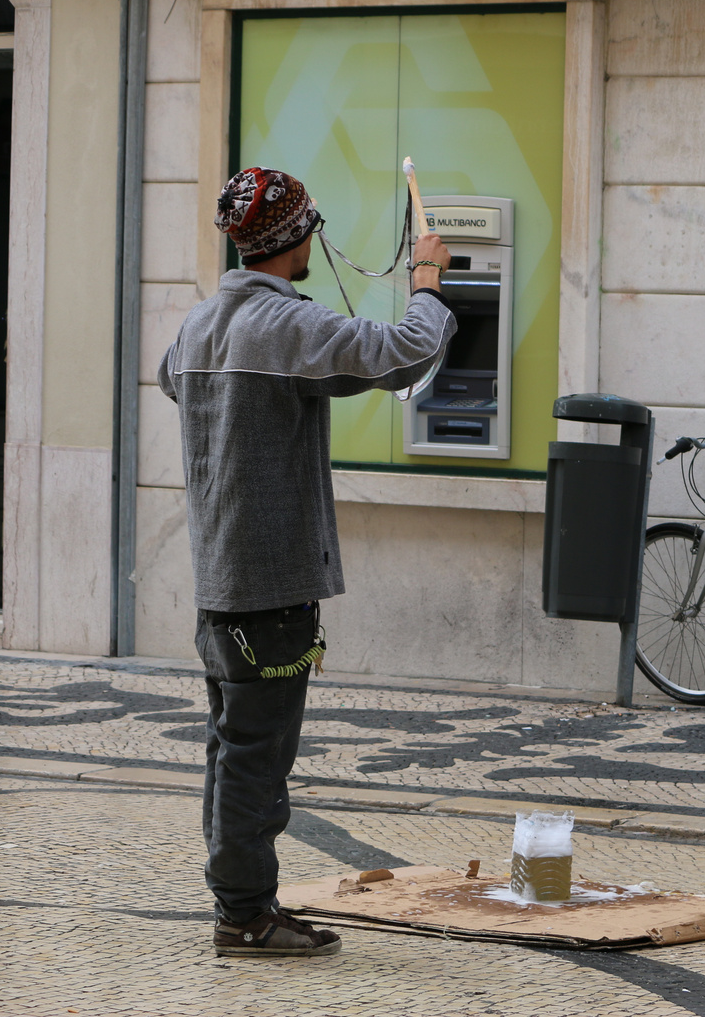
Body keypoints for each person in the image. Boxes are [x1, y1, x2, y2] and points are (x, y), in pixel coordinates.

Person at [158, 167, 456, 957]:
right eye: (312, 228)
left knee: (231, 751)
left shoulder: (197, 327)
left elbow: (169, 379)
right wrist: (426, 276)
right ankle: (246, 917)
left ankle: (239, 904)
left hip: (219, 582)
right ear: (295, 237)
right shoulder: (283, 327)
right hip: (272, 588)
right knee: (257, 761)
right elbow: (405, 352)